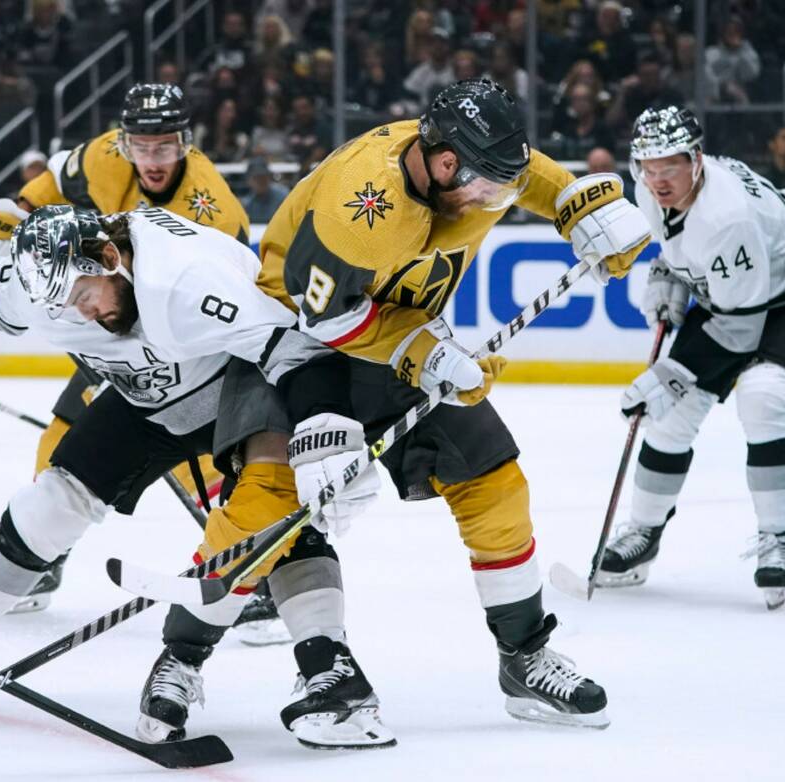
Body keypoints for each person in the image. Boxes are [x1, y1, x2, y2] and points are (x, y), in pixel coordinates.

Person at [0, 204, 388, 749]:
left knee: (270, 518)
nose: (82, 315)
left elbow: (295, 349)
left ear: (111, 259)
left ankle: (305, 667)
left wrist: (326, 430)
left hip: (242, 380)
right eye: (65, 307)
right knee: (52, 500)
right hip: (146, 397)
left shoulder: (189, 281)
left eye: (85, 297)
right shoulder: (45, 283)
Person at [254, 78, 651, 728]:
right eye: (484, 187)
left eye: (500, 184)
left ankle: (525, 658)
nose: (494, 201)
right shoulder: (366, 210)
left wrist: (581, 206)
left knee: (495, 481)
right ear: (442, 163)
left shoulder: (477, 164)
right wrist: (425, 352)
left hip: (400, 336)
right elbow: (323, 317)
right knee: (304, 500)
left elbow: (529, 176)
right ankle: (285, 649)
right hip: (302, 343)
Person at [0, 84, 283, 642]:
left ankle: (254, 567)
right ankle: (44, 559)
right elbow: (40, 199)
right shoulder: (98, 157)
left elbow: (228, 302)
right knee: (62, 443)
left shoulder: (214, 206)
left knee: (217, 465)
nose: (152, 159)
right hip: (108, 324)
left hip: (187, 350)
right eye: (142, 147)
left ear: (185, 144)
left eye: (165, 147)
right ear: (124, 144)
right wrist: (17, 218)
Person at [597, 106, 785, 610]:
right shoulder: (647, 186)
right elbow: (680, 247)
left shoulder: (726, 216)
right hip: (738, 295)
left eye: (670, 165)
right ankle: (644, 532)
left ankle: (777, 537)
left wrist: (670, 372)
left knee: (762, 396)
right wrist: (669, 274)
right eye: (648, 165)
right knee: (669, 415)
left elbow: (743, 327)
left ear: (696, 159)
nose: (658, 178)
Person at [241, 156, 289, 223]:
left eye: (264, 177)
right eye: (257, 178)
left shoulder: (283, 196)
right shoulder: (247, 204)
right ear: (249, 181)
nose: (261, 181)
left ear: (269, 177)